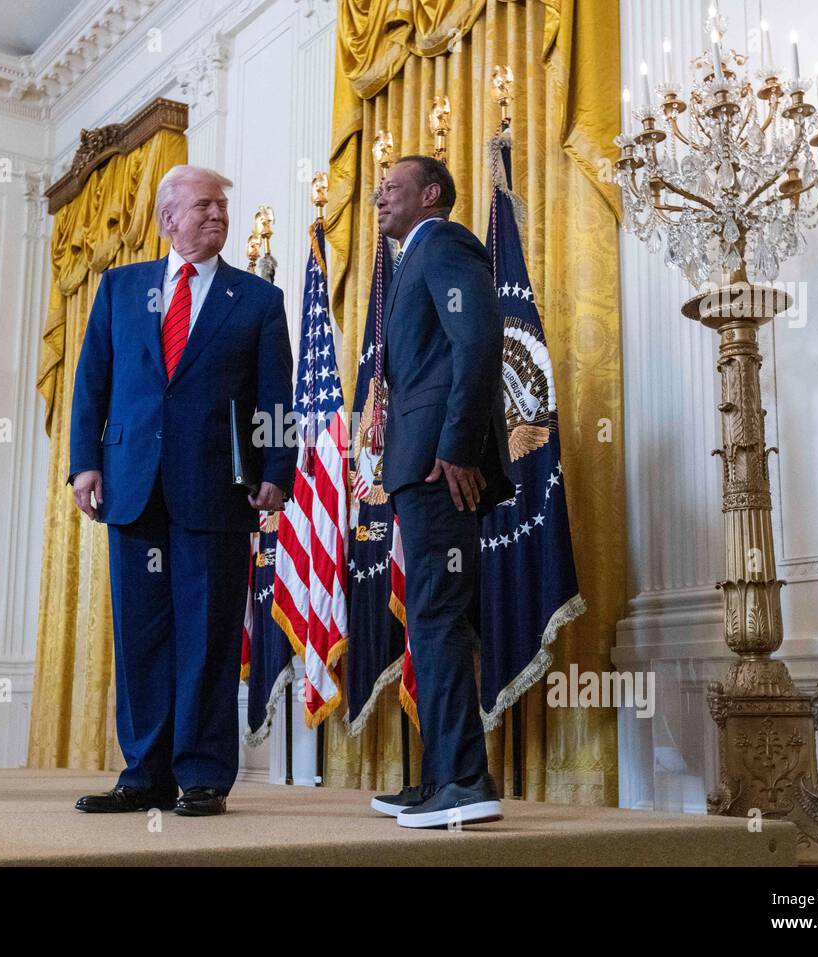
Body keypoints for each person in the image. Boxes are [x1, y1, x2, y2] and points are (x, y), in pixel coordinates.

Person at [68, 164, 295, 817]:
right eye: (204, 208)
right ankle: (144, 773)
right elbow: (93, 384)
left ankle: (202, 773)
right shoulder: (120, 288)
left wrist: (278, 469)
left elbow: (275, 395)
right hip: (133, 489)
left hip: (216, 493)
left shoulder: (255, 301)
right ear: (169, 219)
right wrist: (87, 463)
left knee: (208, 637)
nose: (217, 217)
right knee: (142, 636)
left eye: (222, 207)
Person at [368, 155, 511, 828]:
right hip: (416, 466)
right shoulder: (409, 263)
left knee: (439, 618)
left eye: (391, 188)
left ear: (432, 194)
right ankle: (439, 777)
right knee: (429, 619)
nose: (377, 198)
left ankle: (465, 779)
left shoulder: (446, 242)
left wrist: (455, 445)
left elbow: (480, 338)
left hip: (438, 467)